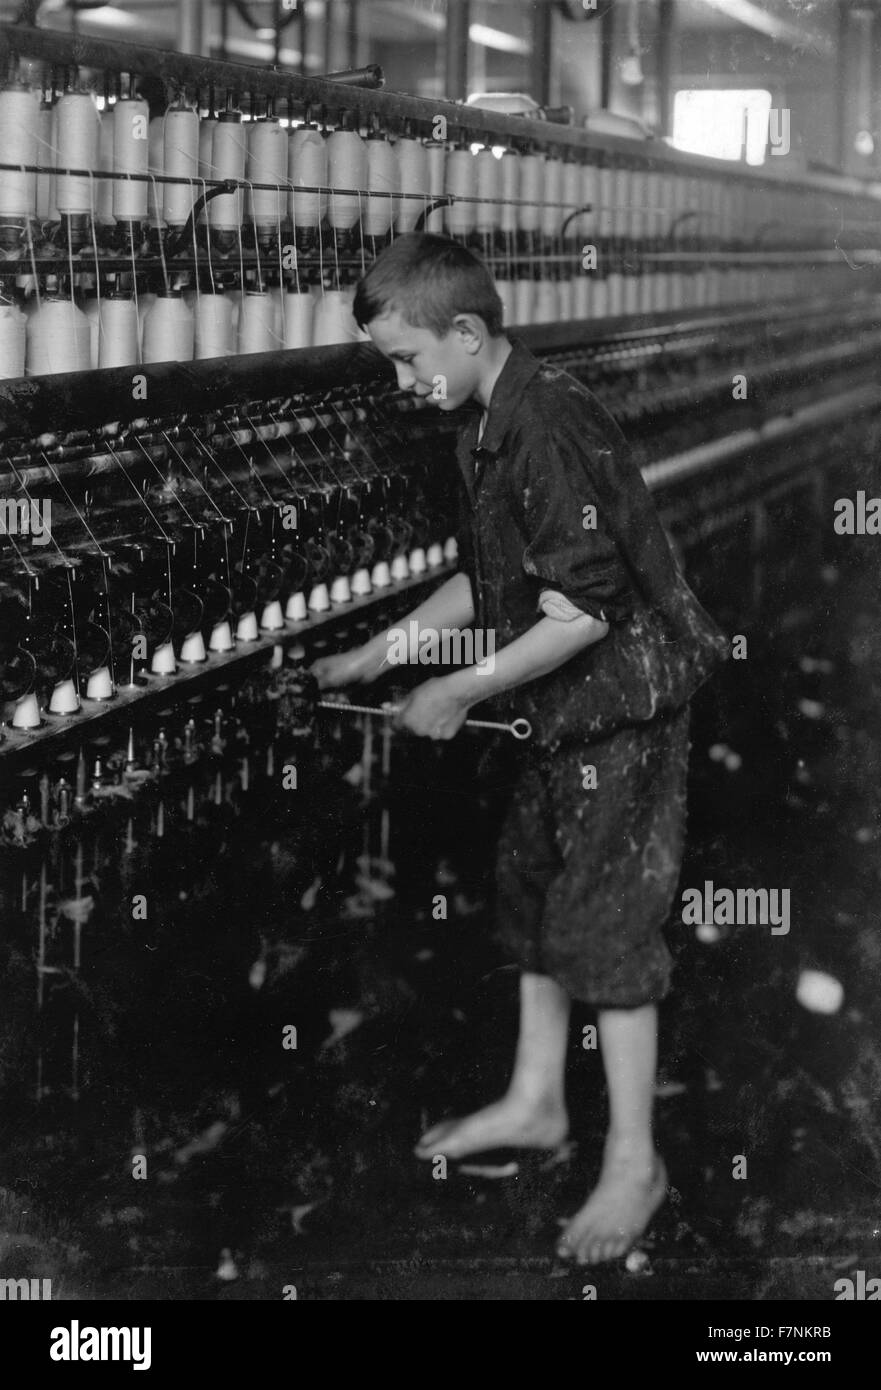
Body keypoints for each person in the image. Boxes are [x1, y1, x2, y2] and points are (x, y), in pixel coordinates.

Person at [310, 233, 729, 1265]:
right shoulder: (485, 421)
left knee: (605, 927)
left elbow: (580, 611)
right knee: (536, 898)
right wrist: (377, 652)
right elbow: (482, 579)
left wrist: (455, 685)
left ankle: (634, 1159)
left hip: (619, 709)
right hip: (561, 713)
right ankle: (538, 1102)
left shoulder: (544, 421)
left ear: (467, 331)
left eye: (410, 360)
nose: (406, 383)